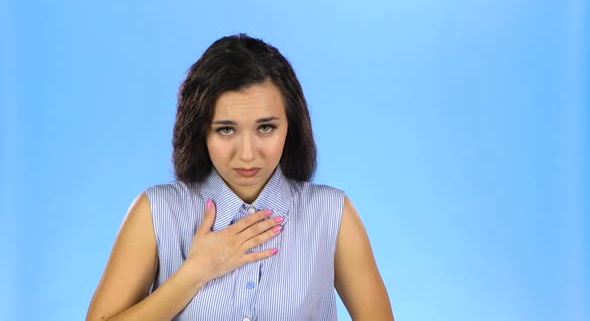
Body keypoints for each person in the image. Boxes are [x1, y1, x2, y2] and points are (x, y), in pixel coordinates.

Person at [86, 34, 394, 321]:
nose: (247, 154)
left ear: (292, 126)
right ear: (200, 130)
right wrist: (195, 273)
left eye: (265, 128)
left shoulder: (332, 213)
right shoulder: (155, 211)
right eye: (226, 129)